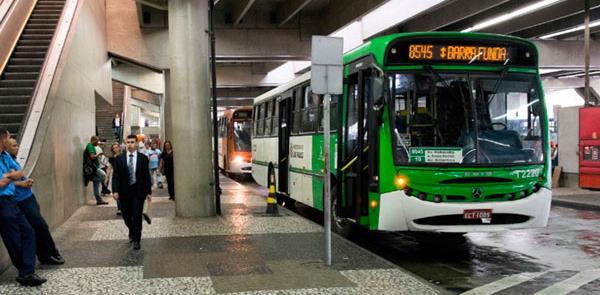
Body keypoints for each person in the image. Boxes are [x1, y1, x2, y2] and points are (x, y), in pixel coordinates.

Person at [4, 137, 65, 265]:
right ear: (6, 146)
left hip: (27, 196)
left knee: (39, 226)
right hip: (16, 199)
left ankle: (48, 253)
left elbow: (18, 174)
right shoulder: (4, 159)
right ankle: (46, 255)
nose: (17, 148)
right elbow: (7, 180)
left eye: (17, 145)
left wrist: (26, 180)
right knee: (37, 226)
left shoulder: (10, 158)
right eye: (14, 146)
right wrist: (21, 183)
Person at [0, 129, 46, 286]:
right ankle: (26, 272)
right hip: (2, 203)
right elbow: (0, 184)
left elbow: (20, 172)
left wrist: (9, 176)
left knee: (28, 232)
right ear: (3, 138)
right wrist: (9, 176)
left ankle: (26, 270)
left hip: (11, 200)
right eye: (9, 137)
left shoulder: (5, 156)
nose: (11, 140)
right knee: (12, 239)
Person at [112, 135, 152, 250]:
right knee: (126, 215)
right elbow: (115, 177)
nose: (130, 144)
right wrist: (115, 190)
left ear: (137, 144)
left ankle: (136, 239)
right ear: (125, 144)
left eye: (132, 142)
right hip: (124, 192)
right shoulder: (119, 159)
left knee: (137, 215)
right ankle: (131, 229)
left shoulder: (143, 158)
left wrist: (148, 192)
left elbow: (146, 176)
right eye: (128, 142)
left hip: (138, 192)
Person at [85, 136, 108, 205]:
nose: (98, 142)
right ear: (93, 140)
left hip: (95, 167)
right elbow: (92, 156)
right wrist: (99, 154)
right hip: (93, 167)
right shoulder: (90, 146)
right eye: (97, 141)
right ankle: (92, 178)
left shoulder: (92, 146)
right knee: (103, 175)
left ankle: (99, 200)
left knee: (96, 186)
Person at [106, 143, 123, 215]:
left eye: (116, 147)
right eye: (114, 148)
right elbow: (109, 169)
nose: (115, 149)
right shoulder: (111, 158)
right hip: (116, 177)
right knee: (116, 193)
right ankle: (119, 209)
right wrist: (107, 177)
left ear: (119, 148)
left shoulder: (123, 156)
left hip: (124, 177)